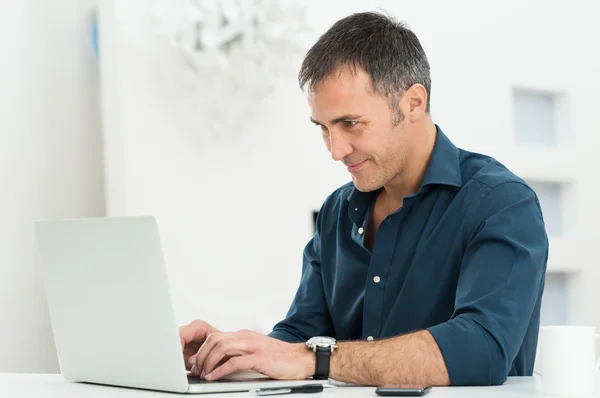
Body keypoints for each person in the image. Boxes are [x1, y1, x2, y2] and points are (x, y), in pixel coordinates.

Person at [179, 11, 548, 387]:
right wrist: (230, 357)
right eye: (323, 128)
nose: (336, 150)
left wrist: (315, 358)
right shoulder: (337, 211)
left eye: (350, 123)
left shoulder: (501, 204)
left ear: (413, 103)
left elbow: (482, 349)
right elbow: (301, 338)